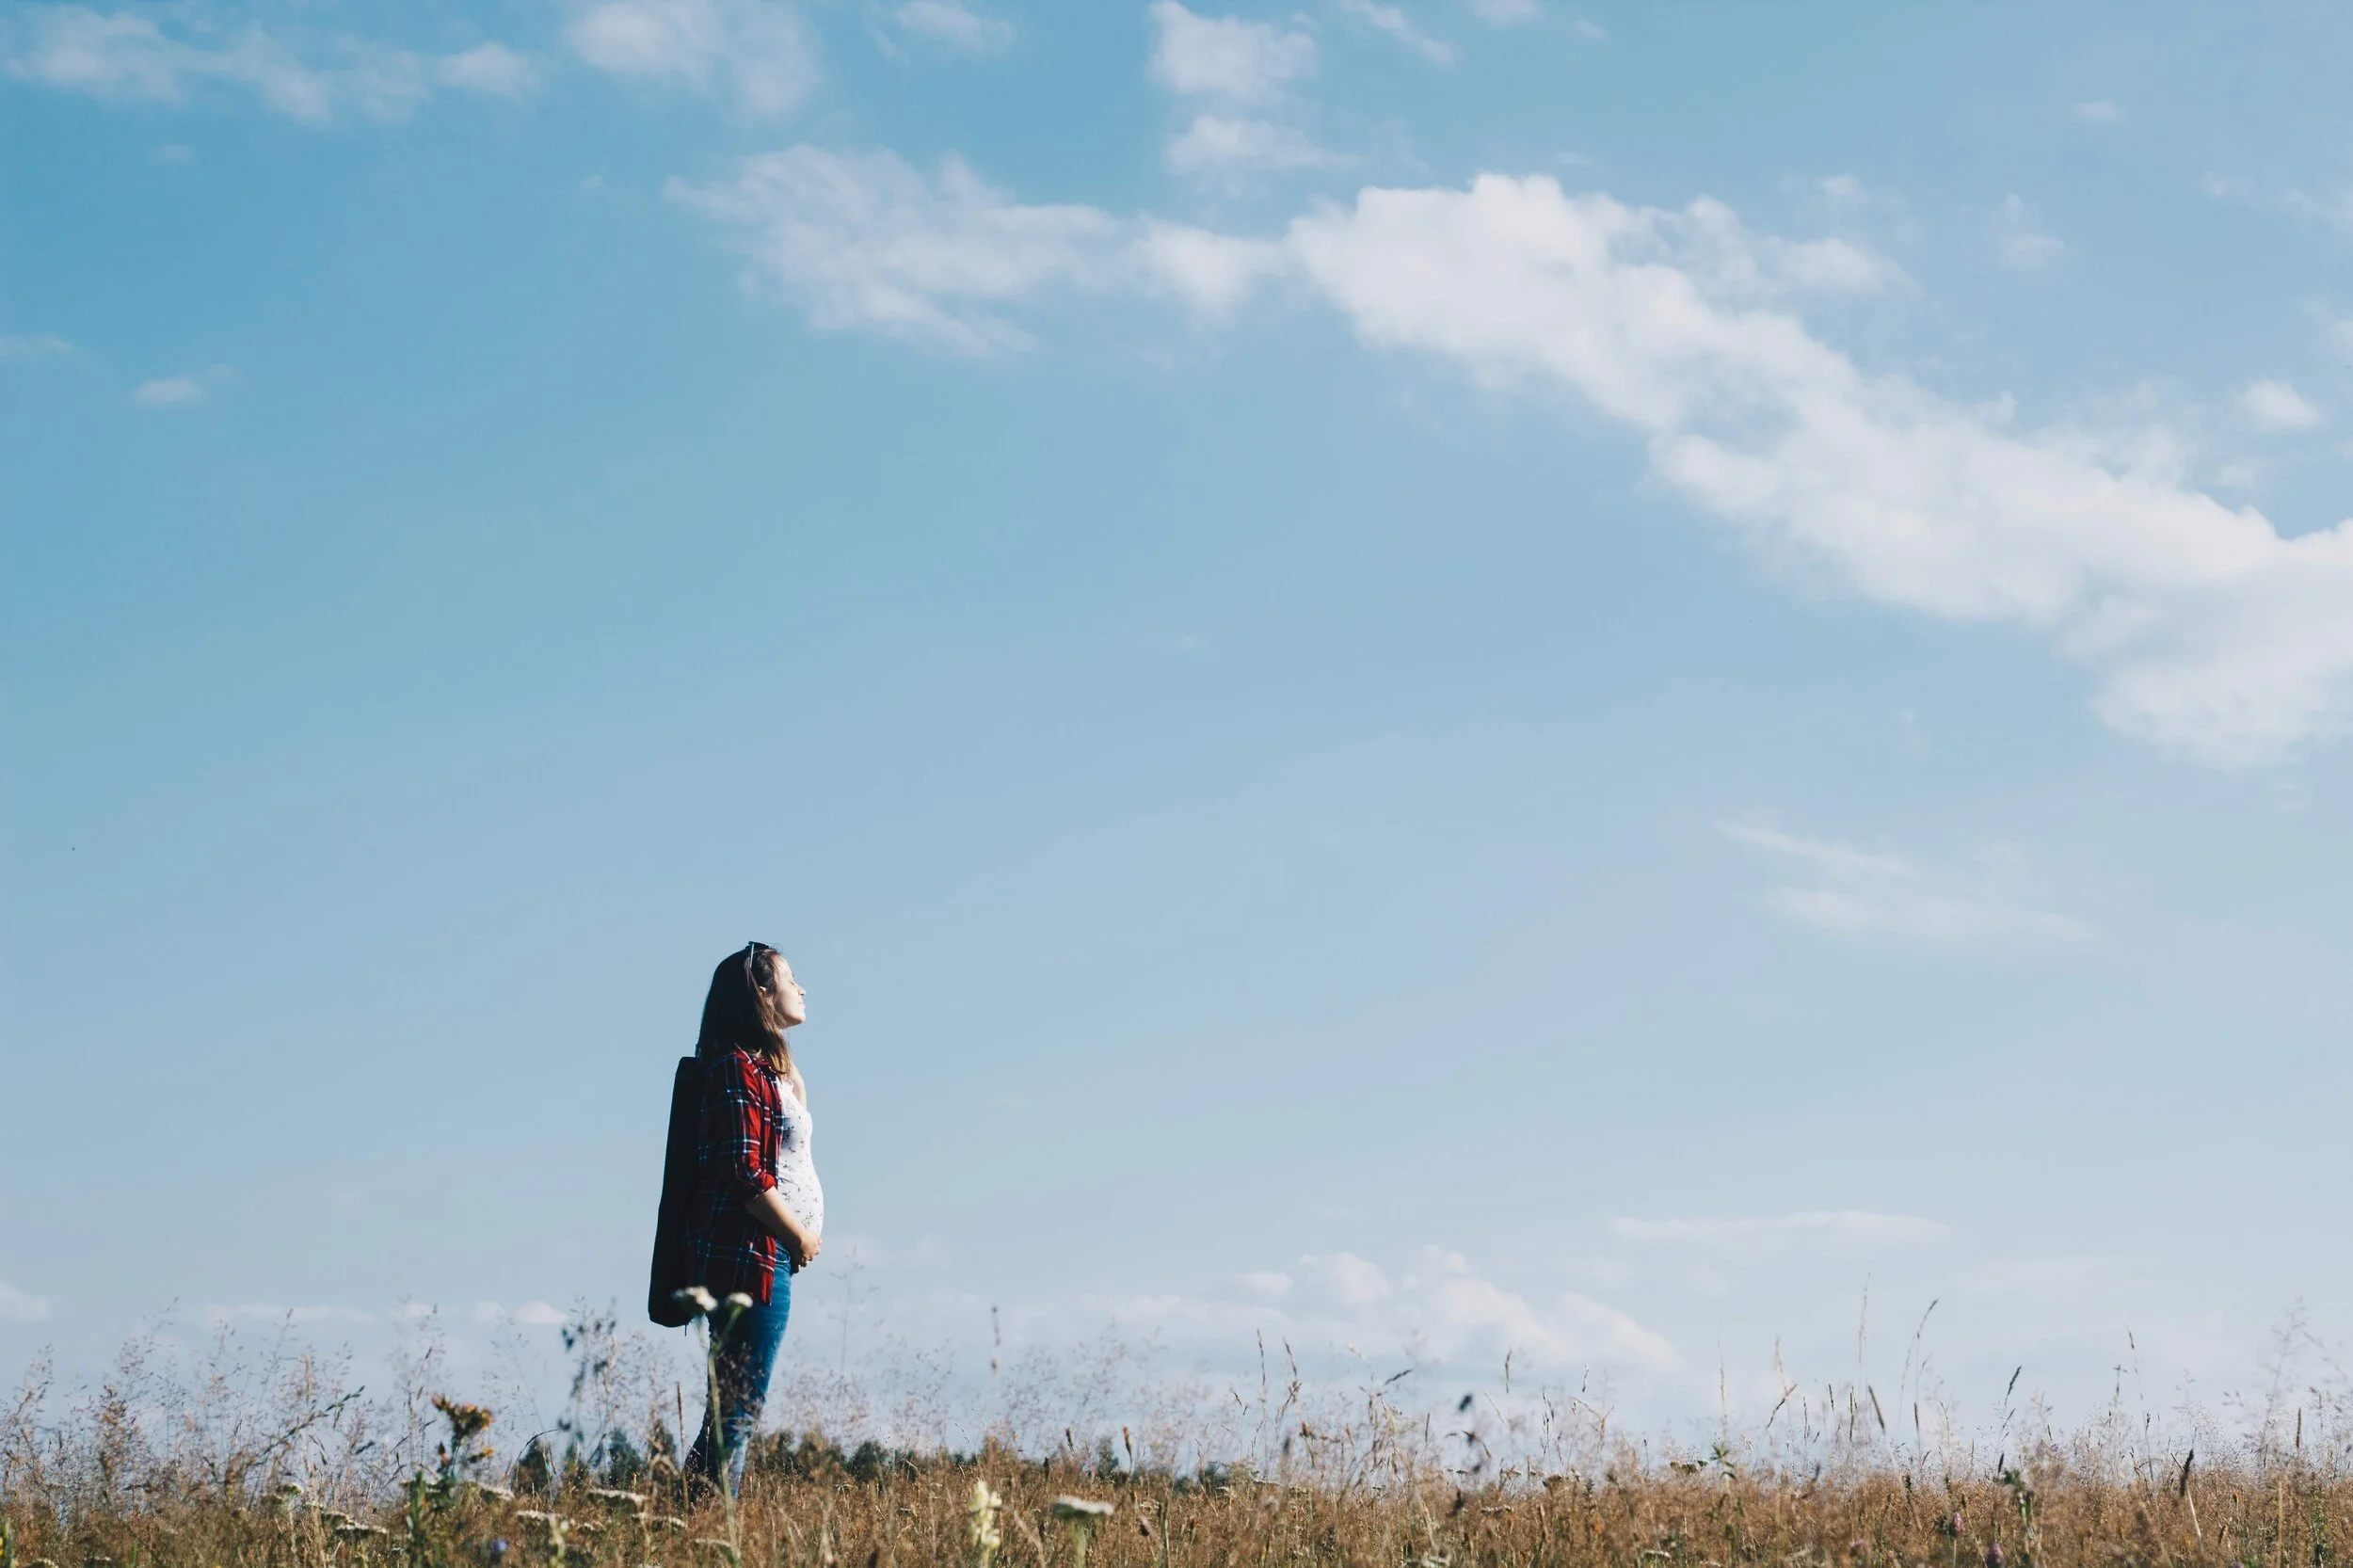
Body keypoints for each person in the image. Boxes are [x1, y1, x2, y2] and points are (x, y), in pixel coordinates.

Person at [680, 941, 824, 1496]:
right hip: (751, 1261)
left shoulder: (766, 1069)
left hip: (768, 1258)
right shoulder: (736, 1069)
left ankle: (691, 1527)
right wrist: (799, 1236)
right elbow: (743, 1172)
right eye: (791, 978)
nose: (802, 988)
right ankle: (710, 1528)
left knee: (732, 1415)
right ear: (761, 992)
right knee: (735, 1416)